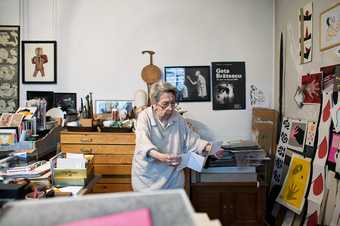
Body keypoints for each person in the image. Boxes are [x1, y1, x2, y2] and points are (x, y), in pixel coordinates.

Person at [131, 81, 223, 191]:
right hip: (147, 180)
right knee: (148, 208)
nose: (170, 108)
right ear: (154, 104)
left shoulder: (178, 118)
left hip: (172, 180)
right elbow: (143, 143)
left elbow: (192, 140)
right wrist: (161, 157)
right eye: (165, 104)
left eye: (173, 103)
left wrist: (212, 149)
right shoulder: (144, 117)